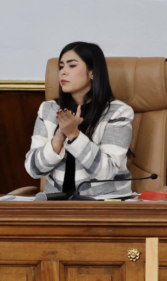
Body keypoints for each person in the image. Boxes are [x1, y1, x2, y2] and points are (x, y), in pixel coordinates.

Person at [24, 41, 133, 199]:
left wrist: (74, 135)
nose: (63, 72)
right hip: (55, 204)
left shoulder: (117, 113)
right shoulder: (48, 110)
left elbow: (107, 171)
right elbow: (33, 169)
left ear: (92, 72)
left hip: (104, 204)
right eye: (61, 66)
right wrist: (59, 137)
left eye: (72, 65)